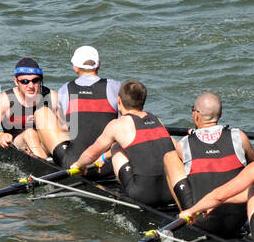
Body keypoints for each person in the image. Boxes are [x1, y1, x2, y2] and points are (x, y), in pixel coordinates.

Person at [67, 79, 183, 207]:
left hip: (143, 195)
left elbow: (90, 155)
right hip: (171, 193)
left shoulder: (118, 125)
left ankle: (127, 195)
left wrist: (79, 165)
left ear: (119, 101)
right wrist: (104, 158)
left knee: (116, 146)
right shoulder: (158, 121)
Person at [166, 93, 254, 238]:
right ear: (220, 114)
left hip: (204, 221)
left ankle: (186, 214)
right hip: (238, 220)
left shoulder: (184, 143)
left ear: (196, 115)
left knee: (169, 157)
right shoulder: (240, 137)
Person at [0, 57, 67, 162]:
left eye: (35, 80)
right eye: (25, 81)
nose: (31, 86)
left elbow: (66, 129)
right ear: (16, 81)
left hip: (45, 143)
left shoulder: (52, 96)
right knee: (30, 133)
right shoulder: (5, 100)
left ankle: (63, 160)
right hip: (19, 144)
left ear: (40, 80)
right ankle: (45, 165)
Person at [55, 45, 121, 172]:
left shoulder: (65, 89)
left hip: (75, 165)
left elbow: (63, 128)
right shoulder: (115, 87)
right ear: (99, 65)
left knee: (45, 116)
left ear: (75, 68)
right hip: (108, 165)